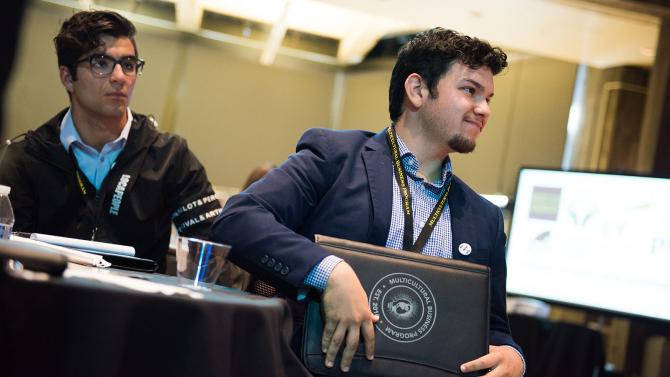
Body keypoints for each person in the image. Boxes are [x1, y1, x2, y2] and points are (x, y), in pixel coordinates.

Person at [210, 28, 525, 376]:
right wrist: (329, 272)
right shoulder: (335, 158)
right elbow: (237, 220)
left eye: (489, 98)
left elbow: (493, 327)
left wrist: (514, 357)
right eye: (470, 91)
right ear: (418, 90)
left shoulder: (484, 218)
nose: (484, 110)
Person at [0, 10, 221, 271]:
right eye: (101, 63)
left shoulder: (170, 156)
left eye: (128, 65)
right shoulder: (26, 157)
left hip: (134, 306)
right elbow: (8, 253)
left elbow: (211, 247)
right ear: (67, 77)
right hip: (48, 300)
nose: (119, 77)